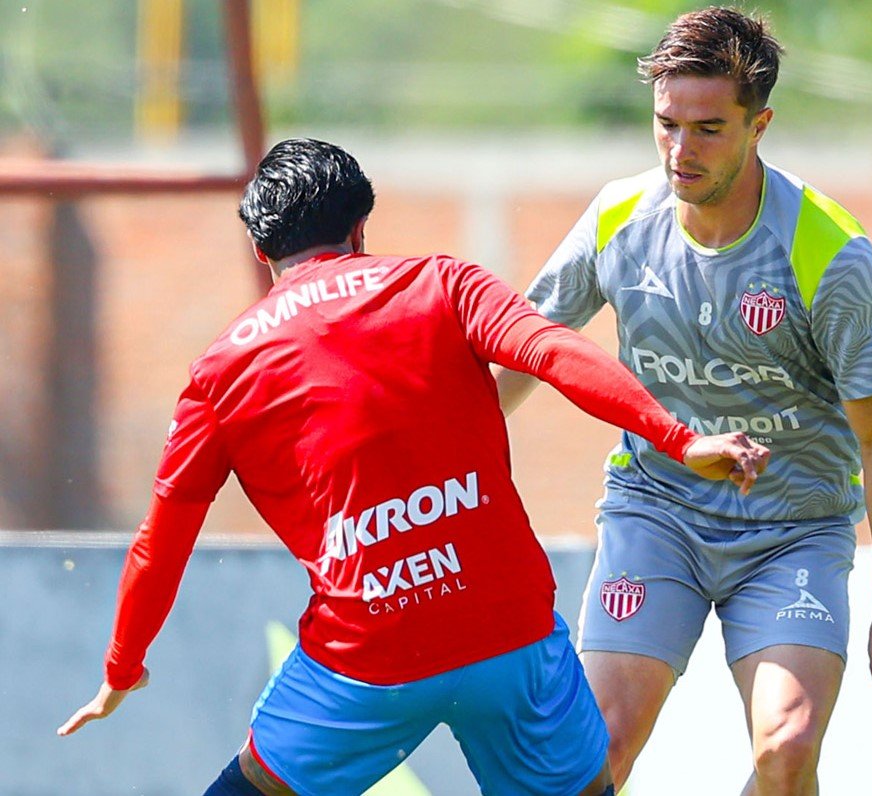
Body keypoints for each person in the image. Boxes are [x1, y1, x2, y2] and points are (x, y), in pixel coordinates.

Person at [57, 137, 769, 796]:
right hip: (508, 636)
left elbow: (163, 538)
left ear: (258, 246)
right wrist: (679, 439)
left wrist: (122, 666)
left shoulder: (220, 369)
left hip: (366, 658)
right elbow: (553, 351)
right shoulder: (442, 283)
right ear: (362, 227)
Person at [495, 6, 872, 794]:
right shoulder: (619, 218)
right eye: (666, 125)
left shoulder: (828, 253)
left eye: (708, 130)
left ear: (760, 124)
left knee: (787, 748)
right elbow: (525, 347)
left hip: (792, 533)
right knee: (596, 754)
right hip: (654, 516)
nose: (680, 151)